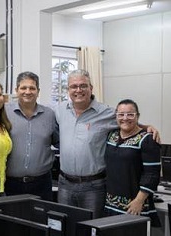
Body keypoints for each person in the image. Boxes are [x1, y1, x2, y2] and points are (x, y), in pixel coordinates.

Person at [55, 69, 159, 218]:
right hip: (65, 184)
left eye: (83, 86)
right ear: (68, 90)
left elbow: (126, 121)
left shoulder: (106, 113)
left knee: (92, 230)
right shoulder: (59, 111)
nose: (78, 90)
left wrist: (146, 127)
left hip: (94, 187)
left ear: (91, 88)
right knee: (65, 229)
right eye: (74, 86)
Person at [104, 99, 161, 225]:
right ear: (116, 116)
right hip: (110, 204)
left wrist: (139, 201)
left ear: (137, 116)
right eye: (121, 114)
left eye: (130, 114)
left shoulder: (148, 140)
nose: (125, 118)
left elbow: (152, 174)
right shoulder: (111, 136)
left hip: (134, 205)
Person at [4, 72, 58, 200]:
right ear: (16, 90)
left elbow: (58, 141)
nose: (27, 92)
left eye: (32, 88)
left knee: (41, 219)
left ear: (38, 91)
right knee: (11, 219)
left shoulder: (49, 115)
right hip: (10, 184)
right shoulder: (3, 112)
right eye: (23, 88)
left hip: (42, 183)